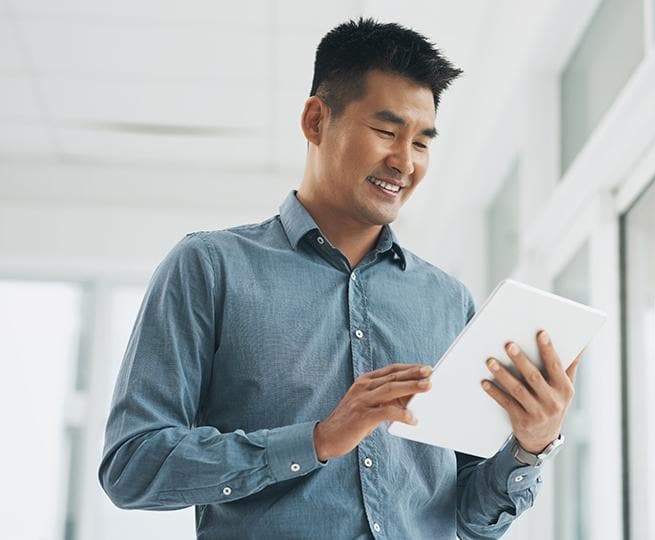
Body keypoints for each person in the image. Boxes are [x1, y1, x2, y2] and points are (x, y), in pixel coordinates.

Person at [99, 18, 580, 539]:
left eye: (422, 142)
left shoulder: (446, 300)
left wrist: (531, 444)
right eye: (386, 131)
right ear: (315, 121)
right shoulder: (210, 268)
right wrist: (319, 439)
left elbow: (470, 518)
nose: (405, 162)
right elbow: (132, 468)